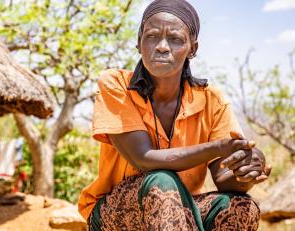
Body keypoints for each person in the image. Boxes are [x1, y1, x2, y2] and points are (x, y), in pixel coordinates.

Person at [78, 0, 272, 230]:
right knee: (161, 181)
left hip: (179, 213)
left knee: (240, 206)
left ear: (193, 48)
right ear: (139, 42)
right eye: (151, 36)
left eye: (176, 39)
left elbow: (223, 179)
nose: (161, 46)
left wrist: (246, 170)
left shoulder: (212, 99)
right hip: (112, 212)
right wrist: (219, 147)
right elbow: (144, 158)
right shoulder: (117, 85)